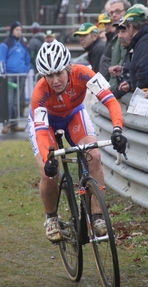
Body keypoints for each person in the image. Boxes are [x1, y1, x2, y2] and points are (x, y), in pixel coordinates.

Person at [28, 40, 127, 243]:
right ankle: (52, 218)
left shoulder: (83, 73)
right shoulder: (39, 92)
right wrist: (49, 159)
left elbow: (109, 100)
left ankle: (97, 216)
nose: (55, 80)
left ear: (68, 68)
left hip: (73, 115)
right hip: (45, 124)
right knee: (49, 172)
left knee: (95, 156)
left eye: (59, 73)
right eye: (49, 75)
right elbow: (39, 131)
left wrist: (117, 129)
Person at [0, 21, 30, 134]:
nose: (19, 32)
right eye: (17, 29)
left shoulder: (23, 43)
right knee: (9, 100)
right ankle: (6, 123)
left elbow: (27, 58)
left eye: (20, 30)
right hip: (9, 76)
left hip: (21, 76)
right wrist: (4, 74)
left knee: (16, 101)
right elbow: (1, 59)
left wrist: (26, 70)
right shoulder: (6, 43)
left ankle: (14, 124)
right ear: (12, 31)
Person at [118, 6, 148, 94]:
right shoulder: (142, 40)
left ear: (131, 27)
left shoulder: (145, 41)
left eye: (125, 29)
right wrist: (130, 83)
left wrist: (139, 93)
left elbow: (144, 71)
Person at [107, 0, 131, 89]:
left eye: (117, 11)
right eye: (111, 13)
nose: (114, 15)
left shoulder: (129, 39)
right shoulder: (114, 35)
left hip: (121, 88)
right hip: (114, 86)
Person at [109, 17, 131, 99]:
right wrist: (122, 71)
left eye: (123, 31)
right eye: (118, 32)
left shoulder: (137, 49)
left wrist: (110, 96)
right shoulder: (128, 49)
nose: (120, 36)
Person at [99, 14, 116, 81]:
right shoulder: (109, 40)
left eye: (109, 24)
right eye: (105, 24)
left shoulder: (115, 41)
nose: (107, 27)